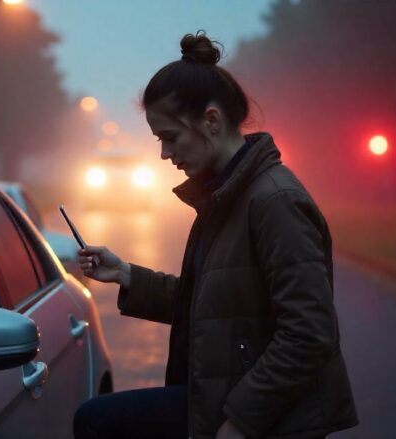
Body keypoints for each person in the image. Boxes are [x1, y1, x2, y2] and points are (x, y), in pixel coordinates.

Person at [72, 32, 358, 439]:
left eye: (170, 137)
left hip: (266, 417)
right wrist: (126, 275)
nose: (164, 153)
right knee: (96, 420)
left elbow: (310, 334)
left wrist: (239, 422)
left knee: (98, 422)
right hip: (219, 397)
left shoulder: (275, 201)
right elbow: (213, 308)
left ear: (211, 120)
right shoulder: (227, 195)